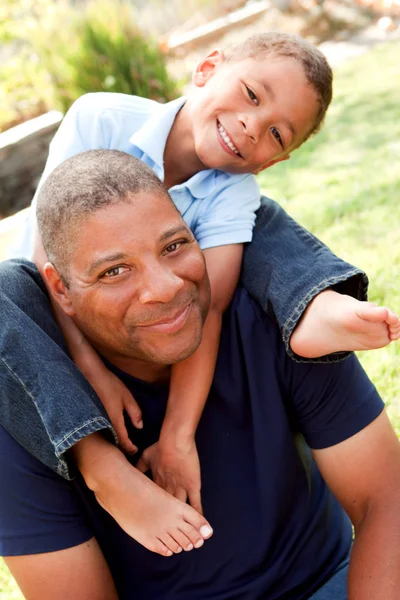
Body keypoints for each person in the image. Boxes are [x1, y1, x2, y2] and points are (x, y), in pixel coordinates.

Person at [5, 32, 400, 537]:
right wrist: (89, 368)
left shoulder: (234, 189)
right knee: (5, 286)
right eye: (252, 95)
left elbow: (208, 306)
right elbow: (48, 256)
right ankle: (104, 472)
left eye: (278, 135)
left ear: (275, 161)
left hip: (151, 321)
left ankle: (311, 304)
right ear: (208, 67)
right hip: (51, 308)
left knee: (261, 217)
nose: (252, 127)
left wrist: (177, 435)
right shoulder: (100, 117)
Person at [1, 150, 400, 600]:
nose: (166, 286)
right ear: (61, 290)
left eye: (174, 246)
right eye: (115, 271)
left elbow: (385, 502)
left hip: (328, 583)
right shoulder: (27, 401)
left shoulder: (275, 315)